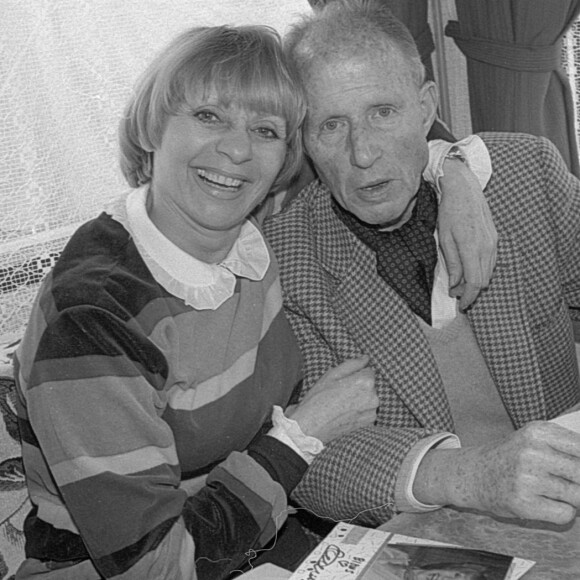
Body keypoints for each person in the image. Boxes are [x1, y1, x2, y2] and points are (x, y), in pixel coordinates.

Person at [12, 22, 494, 580]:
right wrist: (301, 435)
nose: (237, 149)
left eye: (265, 130)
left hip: (270, 548)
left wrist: (454, 173)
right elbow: (155, 568)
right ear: (150, 126)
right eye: (208, 116)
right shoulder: (93, 318)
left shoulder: (246, 225)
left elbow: (378, 138)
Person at [263, 0, 580, 529]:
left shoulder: (527, 176)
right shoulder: (288, 260)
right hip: (431, 535)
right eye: (330, 126)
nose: (363, 153)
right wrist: (469, 476)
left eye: (383, 113)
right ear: (303, 142)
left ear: (425, 105)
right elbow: (311, 466)